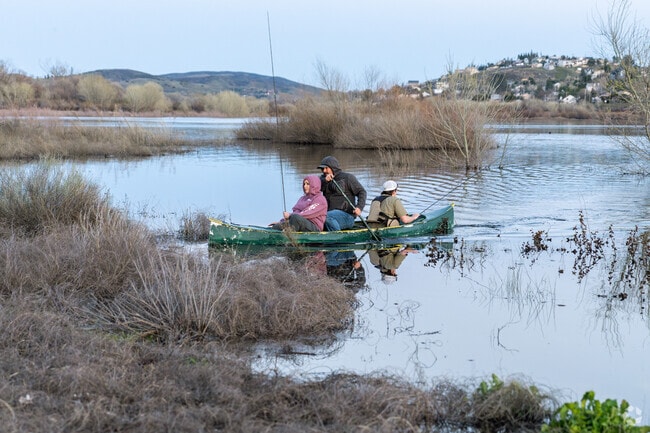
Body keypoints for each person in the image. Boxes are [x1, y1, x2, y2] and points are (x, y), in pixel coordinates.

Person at [317, 156, 367, 231]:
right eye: (322, 169)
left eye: (326, 168)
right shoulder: (322, 180)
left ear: (333, 168)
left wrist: (359, 207)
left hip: (347, 215)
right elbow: (316, 189)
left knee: (326, 216)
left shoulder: (348, 178)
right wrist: (325, 181)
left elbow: (362, 192)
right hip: (328, 215)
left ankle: (338, 237)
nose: (324, 171)